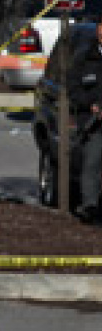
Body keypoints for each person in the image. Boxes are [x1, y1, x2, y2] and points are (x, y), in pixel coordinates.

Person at [68, 19, 102, 223]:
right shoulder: (84, 58)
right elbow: (73, 89)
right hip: (93, 123)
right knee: (92, 163)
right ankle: (90, 207)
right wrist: (91, 105)